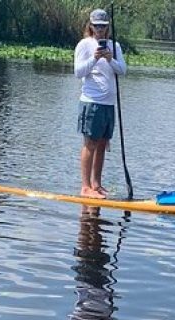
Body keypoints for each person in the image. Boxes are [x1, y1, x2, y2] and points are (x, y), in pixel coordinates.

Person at [74, 9, 126, 199]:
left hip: (109, 104)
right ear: (91, 26)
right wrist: (95, 58)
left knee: (103, 144)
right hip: (92, 102)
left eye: (103, 26)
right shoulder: (84, 45)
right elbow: (78, 72)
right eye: (97, 26)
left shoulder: (115, 46)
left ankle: (96, 184)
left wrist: (110, 59)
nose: (100, 30)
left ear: (107, 27)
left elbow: (122, 70)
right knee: (91, 143)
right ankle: (85, 187)